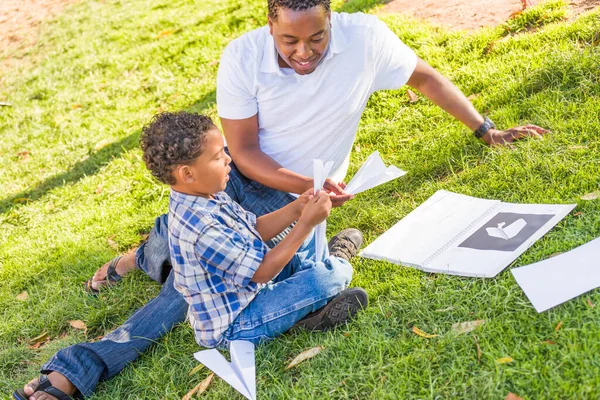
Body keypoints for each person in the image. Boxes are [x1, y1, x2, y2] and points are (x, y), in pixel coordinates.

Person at [18, 0, 548, 398]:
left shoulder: (365, 40)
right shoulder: (243, 57)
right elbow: (241, 152)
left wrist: (487, 131)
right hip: (243, 181)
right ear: (270, 24)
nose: (303, 52)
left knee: (247, 260)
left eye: (316, 38)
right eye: (289, 41)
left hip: (293, 197)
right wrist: (305, 197)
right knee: (183, 292)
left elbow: (426, 78)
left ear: (331, 21)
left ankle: (162, 246)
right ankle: (78, 366)